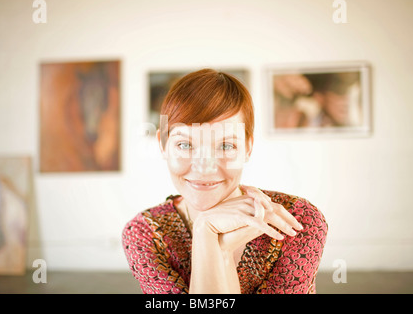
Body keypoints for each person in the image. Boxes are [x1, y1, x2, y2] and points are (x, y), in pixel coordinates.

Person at [122, 69, 328, 294]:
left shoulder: (295, 220)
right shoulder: (145, 233)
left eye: (226, 145)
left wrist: (217, 246)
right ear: (162, 145)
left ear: (247, 148)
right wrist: (207, 233)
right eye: (185, 145)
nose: (204, 167)